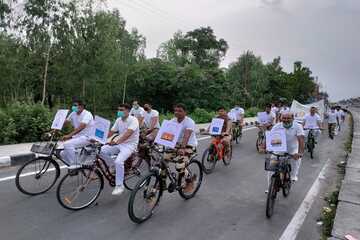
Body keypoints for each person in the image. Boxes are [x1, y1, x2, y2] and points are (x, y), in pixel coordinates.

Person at [100, 103, 140, 195]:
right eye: (119, 110)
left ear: (128, 111)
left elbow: (128, 133)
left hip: (130, 145)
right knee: (101, 150)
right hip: (119, 143)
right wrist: (100, 139)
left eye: (122, 110)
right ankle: (112, 165)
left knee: (119, 161)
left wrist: (117, 142)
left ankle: (119, 186)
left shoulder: (133, 120)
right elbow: (111, 132)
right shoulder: (119, 120)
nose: (119, 112)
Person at [166, 103, 198, 193]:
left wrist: (182, 148)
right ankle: (162, 183)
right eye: (175, 110)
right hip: (176, 145)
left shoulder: (189, 122)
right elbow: (166, 134)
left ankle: (190, 180)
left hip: (188, 145)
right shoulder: (172, 121)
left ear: (185, 112)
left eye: (180, 111)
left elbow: (186, 136)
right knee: (163, 161)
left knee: (179, 166)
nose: (177, 112)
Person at [269, 112, 305, 183]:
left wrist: (300, 153)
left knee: (296, 160)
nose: (286, 120)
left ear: (293, 118)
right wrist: (263, 147)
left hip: (292, 149)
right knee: (271, 169)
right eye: (284, 118)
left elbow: (301, 139)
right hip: (279, 149)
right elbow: (270, 137)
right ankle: (270, 187)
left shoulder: (298, 126)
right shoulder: (277, 126)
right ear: (281, 118)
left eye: (288, 118)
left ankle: (293, 175)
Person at [61, 100, 94, 169]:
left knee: (67, 144)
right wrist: (55, 128)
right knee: (62, 154)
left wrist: (69, 135)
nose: (73, 107)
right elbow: (65, 122)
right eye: (73, 105)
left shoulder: (87, 114)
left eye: (75, 105)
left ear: (81, 106)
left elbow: (81, 127)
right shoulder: (73, 113)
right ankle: (76, 166)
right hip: (78, 136)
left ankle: (76, 164)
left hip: (88, 137)